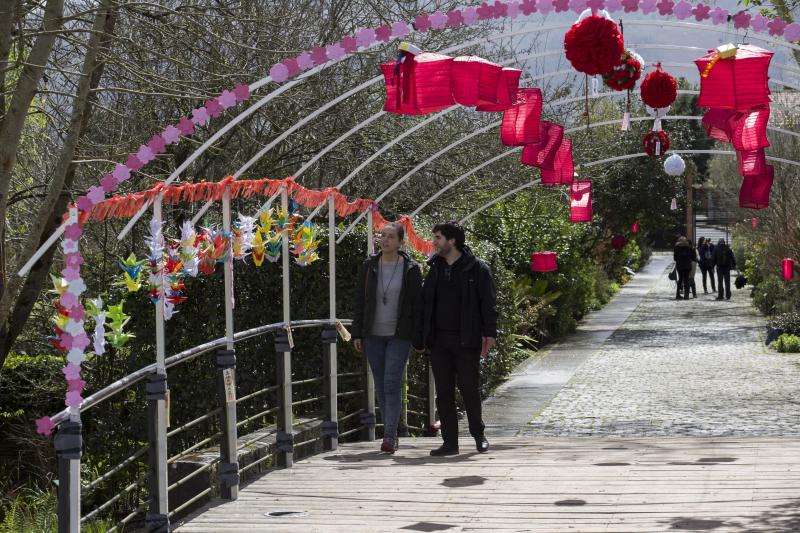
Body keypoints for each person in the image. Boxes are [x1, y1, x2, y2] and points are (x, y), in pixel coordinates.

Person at [419, 221, 497, 456]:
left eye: (438, 238)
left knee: (469, 389)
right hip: (439, 340)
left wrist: (490, 332)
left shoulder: (477, 268)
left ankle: (478, 436)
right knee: (443, 393)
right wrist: (421, 335)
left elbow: (488, 302)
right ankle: (450, 442)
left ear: (452, 241)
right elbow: (425, 304)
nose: (433, 242)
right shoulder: (434, 268)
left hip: (466, 339)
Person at [351, 222, 423, 454]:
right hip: (373, 335)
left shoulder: (411, 269)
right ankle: (390, 429)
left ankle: (390, 435)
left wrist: (417, 334)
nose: (385, 240)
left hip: (399, 335)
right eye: (383, 236)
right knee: (381, 385)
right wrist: (357, 332)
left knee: (392, 382)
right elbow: (360, 302)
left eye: (391, 237)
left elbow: (416, 305)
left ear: (401, 242)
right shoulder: (369, 266)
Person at [673, 236, 694, 300]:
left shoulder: (677, 247)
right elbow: (692, 256)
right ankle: (686, 296)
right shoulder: (689, 247)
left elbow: (675, 258)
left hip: (680, 266)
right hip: (687, 266)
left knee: (680, 280)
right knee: (686, 280)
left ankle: (678, 295)